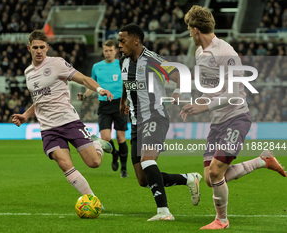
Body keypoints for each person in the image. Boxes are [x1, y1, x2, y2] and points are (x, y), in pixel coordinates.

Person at [181, 5, 286, 230]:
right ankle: (262, 160)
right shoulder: (200, 53)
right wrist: (196, 104)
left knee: (217, 171)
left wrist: (204, 107)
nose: (189, 34)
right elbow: (209, 89)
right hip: (217, 121)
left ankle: (222, 220)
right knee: (210, 178)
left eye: (189, 29)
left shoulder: (226, 53)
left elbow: (232, 94)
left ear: (196, 29)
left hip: (236, 117)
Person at [12, 29, 114, 203]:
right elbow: (39, 100)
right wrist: (26, 115)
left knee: (94, 163)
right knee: (64, 163)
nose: (38, 51)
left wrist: (99, 89)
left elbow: (82, 79)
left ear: (47, 47)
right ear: (29, 48)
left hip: (69, 121)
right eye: (35, 47)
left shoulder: (57, 63)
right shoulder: (28, 72)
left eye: (42, 47)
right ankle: (91, 199)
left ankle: (96, 142)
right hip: (48, 128)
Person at [118, 23, 202, 221]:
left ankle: (164, 212)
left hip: (155, 117)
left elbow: (179, 75)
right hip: (137, 123)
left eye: (123, 41)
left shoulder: (151, 60)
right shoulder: (123, 61)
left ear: (136, 40)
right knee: (143, 179)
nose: (119, 45)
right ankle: (189, 178)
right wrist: (123, 100)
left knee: (148, 160)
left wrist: (177, 92)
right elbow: (126, 81)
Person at [78, 40, 129, 178]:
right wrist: (84, 96)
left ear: (115, 51)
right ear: (103, 51)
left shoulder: (121, 64)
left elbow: (128, 84)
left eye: (110, 50)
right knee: (105, 139)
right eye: (106, 50)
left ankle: (123, 169)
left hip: (119, 104)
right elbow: (92, 85)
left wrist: (128, 102)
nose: (108, 53)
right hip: (104, 105)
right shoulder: (97, 67)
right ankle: (115, 154)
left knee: (120, 137)